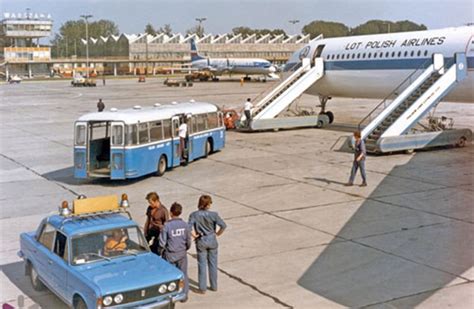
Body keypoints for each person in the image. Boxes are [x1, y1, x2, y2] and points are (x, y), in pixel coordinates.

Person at [188, 195, 226, 294]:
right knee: (213, 264)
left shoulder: (194, 215)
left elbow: (188, 228)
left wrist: (194, 235)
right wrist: (217, 234)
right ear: (208, 205)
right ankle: (214, 286)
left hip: (201, 240)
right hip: (212, 240)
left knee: (202, 265)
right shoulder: (214, 215)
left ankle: (202, 288)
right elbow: (223, 225)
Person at [159, 202, 191, 300]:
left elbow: (162, 242)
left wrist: (160, 252)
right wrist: (185, 248)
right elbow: (188, 240)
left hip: (170, 254)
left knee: (171, 275)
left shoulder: (167, 226)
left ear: (171, 212)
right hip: (182, 253)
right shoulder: (185, 225)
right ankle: (184, 295)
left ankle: (172, 295)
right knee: (183, 274)